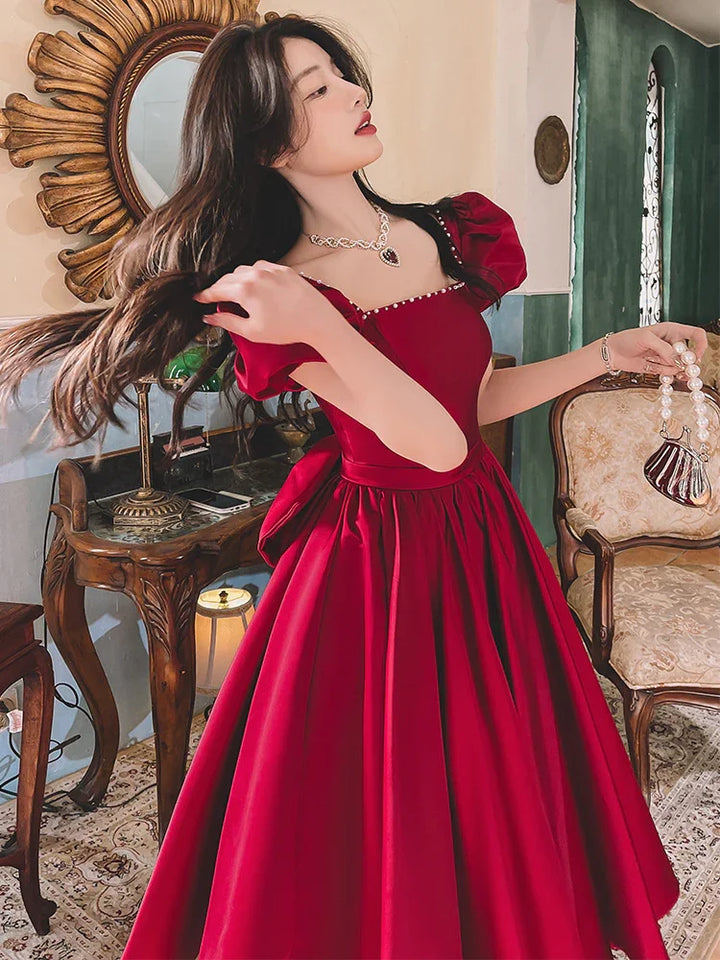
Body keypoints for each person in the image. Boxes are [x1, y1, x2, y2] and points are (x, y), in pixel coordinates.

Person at [0, 13, 705, 960]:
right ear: (268, 141)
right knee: (384, 805)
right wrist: (322, 327)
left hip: (479, 536)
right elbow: (427, 445)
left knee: (503, 781)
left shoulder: (445, 233)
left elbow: (472, 403)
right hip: (380, 563)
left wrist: (604, 352)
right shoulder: (275, 293)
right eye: (317, 90)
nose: (354, 92)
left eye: (343, 72)